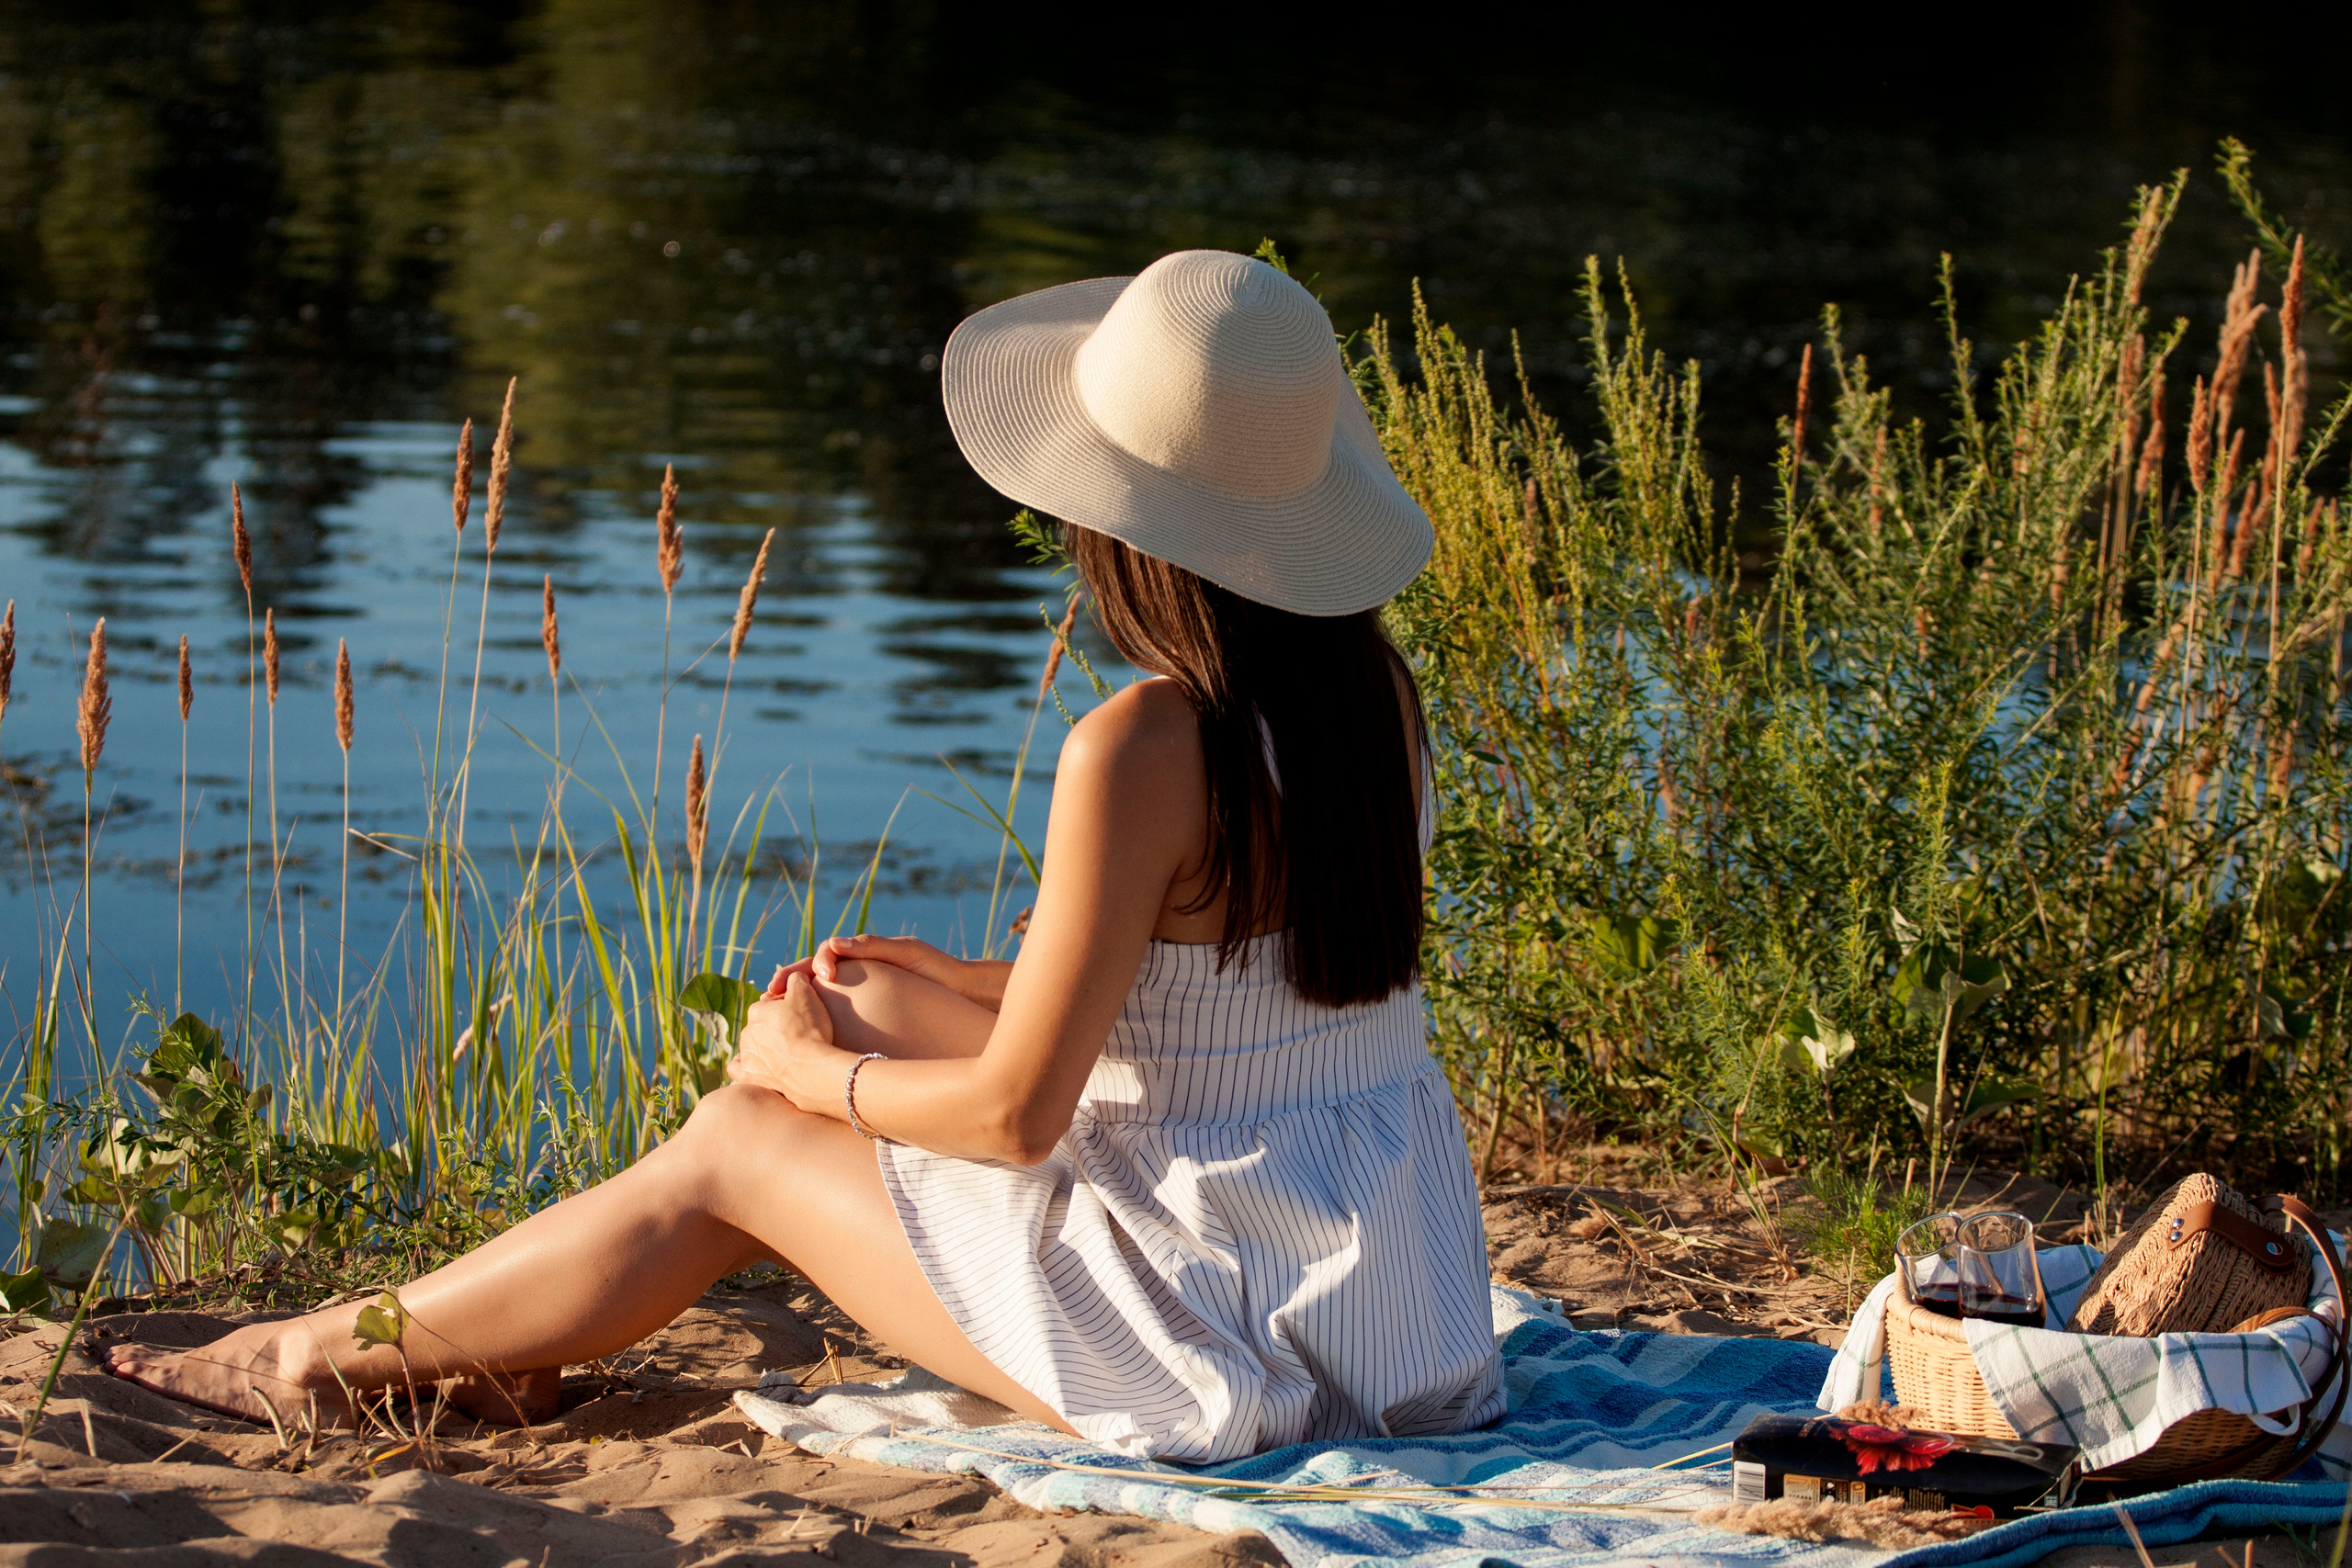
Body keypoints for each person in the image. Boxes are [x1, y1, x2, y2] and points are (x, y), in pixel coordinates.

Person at [107, 249, 1505, 1461]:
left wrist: (808, 1076)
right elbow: (1241, 1006)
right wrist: (918, 990)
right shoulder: (1371, 695)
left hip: (1219, 1344)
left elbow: (1022, 1121)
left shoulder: (1142, 748)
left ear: (1120, 519)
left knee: (738, 1138)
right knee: (863, 991)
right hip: (1379, 1302)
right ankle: (495, 1341)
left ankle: (316, 1355)